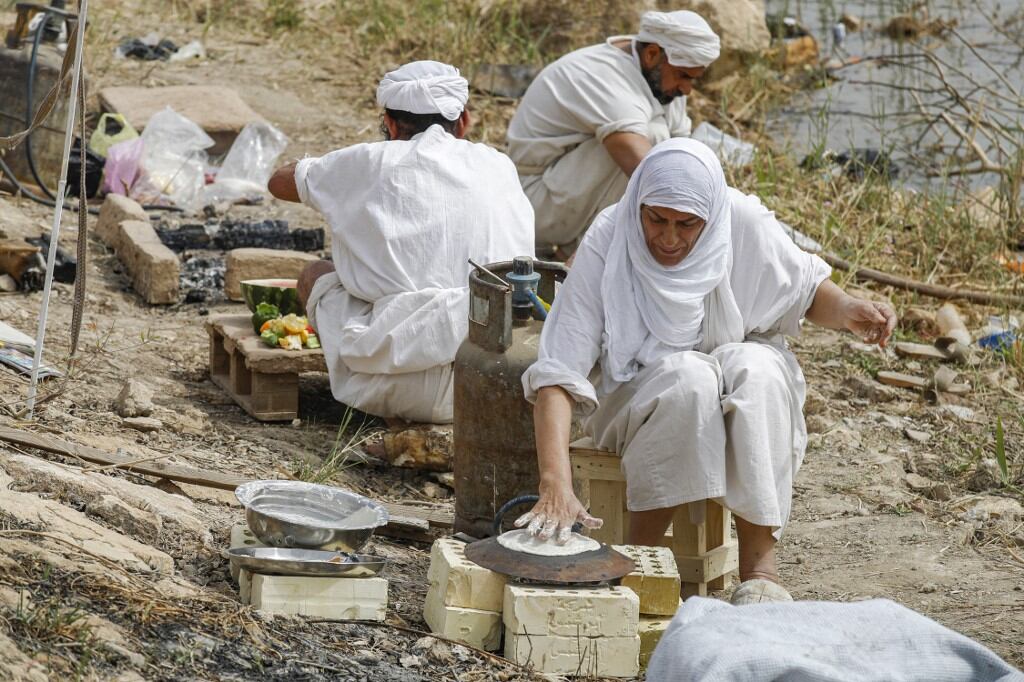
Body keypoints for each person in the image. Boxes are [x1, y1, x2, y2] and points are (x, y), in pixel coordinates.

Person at [517, 139, 896, 604]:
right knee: (689, 378)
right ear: (639, 203)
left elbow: (803, 288)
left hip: (731, 384)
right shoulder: (609, 236)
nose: (670, 239)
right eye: (656, 219)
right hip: (635, 400)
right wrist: (554, 482)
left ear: (711, 217)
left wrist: (850, 309)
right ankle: (641, 557)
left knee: (757, 366)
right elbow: (557, 371)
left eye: (687, 224)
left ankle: (759, 569)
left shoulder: (740, 221)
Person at [267, 60, 534, 424]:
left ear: (390, 124)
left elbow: (279, 182)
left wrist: (334, 168)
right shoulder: (498, 164)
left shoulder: (367, 161)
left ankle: (398, 417)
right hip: (497, 375)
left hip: (400, 383)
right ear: (465, 122)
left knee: (317, 274)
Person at [507, 10, 720, 257]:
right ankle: (586, 253)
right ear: (652, 54)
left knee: (665, 149)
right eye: (684, 76)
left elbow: (685, 151)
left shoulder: (663, 79)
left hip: (565, 192)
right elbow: (653, 171)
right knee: (648, 150)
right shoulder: (601, 74)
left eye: (693, 79)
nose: (687, 89)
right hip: (531, 203)